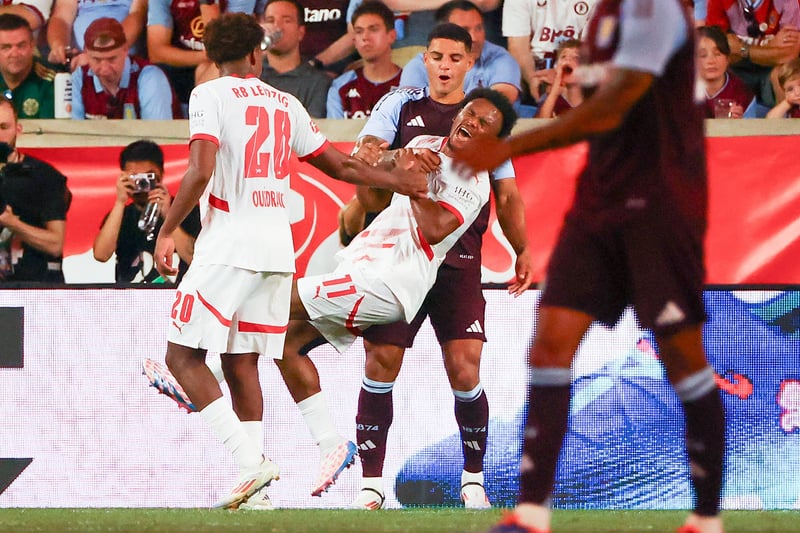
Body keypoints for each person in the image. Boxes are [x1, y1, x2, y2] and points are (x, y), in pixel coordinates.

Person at [452, 2, 726, 533]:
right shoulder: (604, 14)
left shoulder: (654, 10)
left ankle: (706, 517)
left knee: (682, 357)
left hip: (660, 206)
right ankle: (531, 513)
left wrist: (508, 148)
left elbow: (612, 109)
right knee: (550, 343)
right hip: (598, 203)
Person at [150, 12, 427, 511]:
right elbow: (340, 165)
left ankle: (250, 463)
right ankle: (257, 491)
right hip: (278, 250)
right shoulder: (286, 102)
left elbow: (200, 168)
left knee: (181, 358)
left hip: (228, 245)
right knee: (240, 359)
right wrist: (397, 182)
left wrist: (168, 229)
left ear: (212, 57)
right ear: (255, 54)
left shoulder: (208, 95)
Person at [275, 22, 531, 510]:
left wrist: (523, 249)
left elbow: (509, 195)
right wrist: (396, 160)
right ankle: (371, 486)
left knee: (464, 369)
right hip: (395, 262)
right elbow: (366, 162)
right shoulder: (401, 104)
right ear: (425, 59)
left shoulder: (486, 124)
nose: (445, 66)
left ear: (469, 62)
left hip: (457, 263)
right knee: (380, 362)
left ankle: (473, 481)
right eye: (437, 56)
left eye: (455, 58)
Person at [93, 140, 201, 284]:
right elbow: (101, 255)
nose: (143, 184)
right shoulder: (121, 215)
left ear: (161, 174)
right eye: (136, 178)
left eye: (148, 177)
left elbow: (194, 258)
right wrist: (120, 201)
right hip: (130, 296)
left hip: (175, 294)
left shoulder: (186, 210)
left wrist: (169, 216)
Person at [0, 97, 71, 283]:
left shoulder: (45, 176)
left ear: (18, 129)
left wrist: (12, 223)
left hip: (36, 288)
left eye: (3, 127)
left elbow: (55, 244)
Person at [398, 0, 520, 106]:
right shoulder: (420, 65)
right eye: (465, 30)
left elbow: (500, 103)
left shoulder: (500, 58)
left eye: (479, 28)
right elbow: (407, 107)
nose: (474, 37)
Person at [71, 17, 181, 119]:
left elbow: (157, 131)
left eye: (112, 59)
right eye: (96, 60)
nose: (105, 69)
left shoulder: (150, 78)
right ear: (85, 53)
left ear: (125, 50)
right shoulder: (79, 79)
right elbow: (71, 129)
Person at [502, 0, 599, 110]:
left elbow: (588, 50)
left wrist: (561, 77)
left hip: (573, 66)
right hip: (534, 68)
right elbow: (518, 49)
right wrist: (533, 79)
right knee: (507, 69)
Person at [706, 0, 800, 108]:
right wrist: (770, 46)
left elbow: (789, 54)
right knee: (712, 66)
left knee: (785, 73)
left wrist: (743, 49)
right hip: (737, 68)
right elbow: (716, 46)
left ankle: (786, 117)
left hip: (772, 68)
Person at [326, 0, 401, 119]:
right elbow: (334, 130)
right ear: (354, 41)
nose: (365, 37)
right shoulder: (340, 86)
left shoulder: (411, 85)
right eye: (359, 31)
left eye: (373, 29)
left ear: (392, 36)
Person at [259, 0, 331, 118]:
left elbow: (313, 125)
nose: (277, 27)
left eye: (287, 21)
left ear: (301, 32)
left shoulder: (318, 82)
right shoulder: (249, 75)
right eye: (270, 21)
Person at [46, 0, 148, 69]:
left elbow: (137, 16)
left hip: (124, 62)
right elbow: (61, 18)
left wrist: (99, 54)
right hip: (79, 61)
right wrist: (59, 45)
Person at [146, 0, 208, 112]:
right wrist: (210, 55)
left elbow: (234, 44)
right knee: (153, 77)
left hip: (217, 66)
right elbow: (157, 53)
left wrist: (208, 4)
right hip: (178, 66)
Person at [0, 14, 55, 119]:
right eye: (6, 47)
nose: (14, 54)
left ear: (32, 45)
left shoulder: (51, 83)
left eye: (21, 46)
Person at [696, 25, 756, 119]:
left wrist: (739, 122)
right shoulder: (683, 91)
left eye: (717, 54)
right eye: (703, 55)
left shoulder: (742, 94)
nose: (711, 61)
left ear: (727, 59)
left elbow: (752, 126)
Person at [534, 38, 582, 118]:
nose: (567, 59)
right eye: (563, 56)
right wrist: (554, 91)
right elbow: (538, 123)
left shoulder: (595, 97)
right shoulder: (552, 98)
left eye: (576, 57)